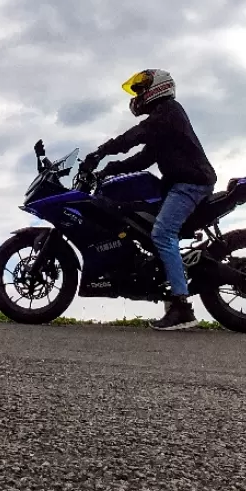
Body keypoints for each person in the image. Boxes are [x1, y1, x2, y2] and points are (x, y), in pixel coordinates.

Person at [81, 70, 215, 331]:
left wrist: (101, 151)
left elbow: (135, 135)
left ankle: (181, 308)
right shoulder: (163, 121)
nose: (139, 96)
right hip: (180, 184)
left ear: (158, 88)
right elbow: (144, 159)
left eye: (142, 90)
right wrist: (109, 170)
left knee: (163, 234)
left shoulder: (168, 111)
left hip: (191, 184)